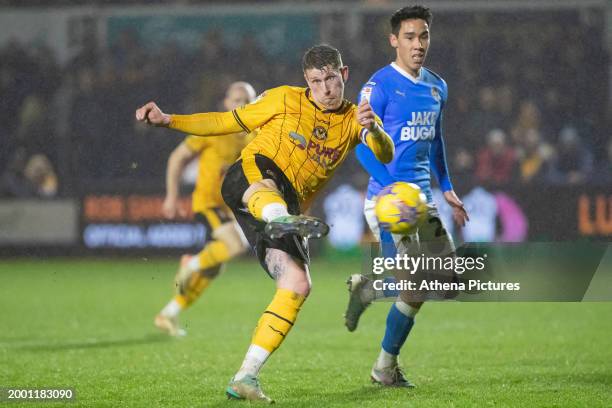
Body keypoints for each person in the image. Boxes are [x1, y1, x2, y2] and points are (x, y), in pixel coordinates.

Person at [136, 44, 394, 403]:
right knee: (269, 185)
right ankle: (279, 219)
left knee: (297, 283)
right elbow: (225, 121)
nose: (325, 89)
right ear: (306, 80)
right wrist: (170, 120)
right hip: (250, 178)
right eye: (316, 81)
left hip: (280, 207)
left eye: (332, 79)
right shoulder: (283, 99)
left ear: (344, 74)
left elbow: (385, 153)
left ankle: (245, 376)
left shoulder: (355, 118)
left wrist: (376, 131)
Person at [343, 5, 469, 387]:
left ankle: (369, 286)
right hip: (389, 200)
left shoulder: (437, 86)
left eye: (424, 36)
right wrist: (391, 183)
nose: (418, 44)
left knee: (445, 278)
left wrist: (445, 186)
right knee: (414, 286)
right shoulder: (378, 86)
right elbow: (361, 145)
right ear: (394, 40)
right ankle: (384, 369)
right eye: (410, 37)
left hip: (421, 200)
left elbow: (436, 140)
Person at [154, 82, 256, 337]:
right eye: (236, 99)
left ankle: (168, 313)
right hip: (207, 204)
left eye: (247, 100)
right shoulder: (213, 129)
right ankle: (191, 262)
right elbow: (177, 158)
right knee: (234, 247)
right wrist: (172, 196)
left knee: (214, 268)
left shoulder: (254, 135)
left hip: (229, 207)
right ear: (225, 103)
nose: (241, 105)